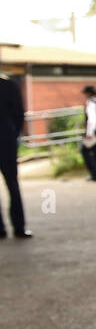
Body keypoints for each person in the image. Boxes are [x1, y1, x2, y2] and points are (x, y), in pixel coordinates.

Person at [0, 73, 31, 239]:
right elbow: (19, 113)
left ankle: (1, 229)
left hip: (7, 139)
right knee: (12, 184)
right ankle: (19, 227)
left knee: (12, 184)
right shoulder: (9, 85)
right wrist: (13, 134)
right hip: (6, 140)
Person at [80, 85, 96, 181]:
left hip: (93, 131)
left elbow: (92, 119)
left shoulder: (91, 102)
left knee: (85, 151)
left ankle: (95, 174)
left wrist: (89, 133)